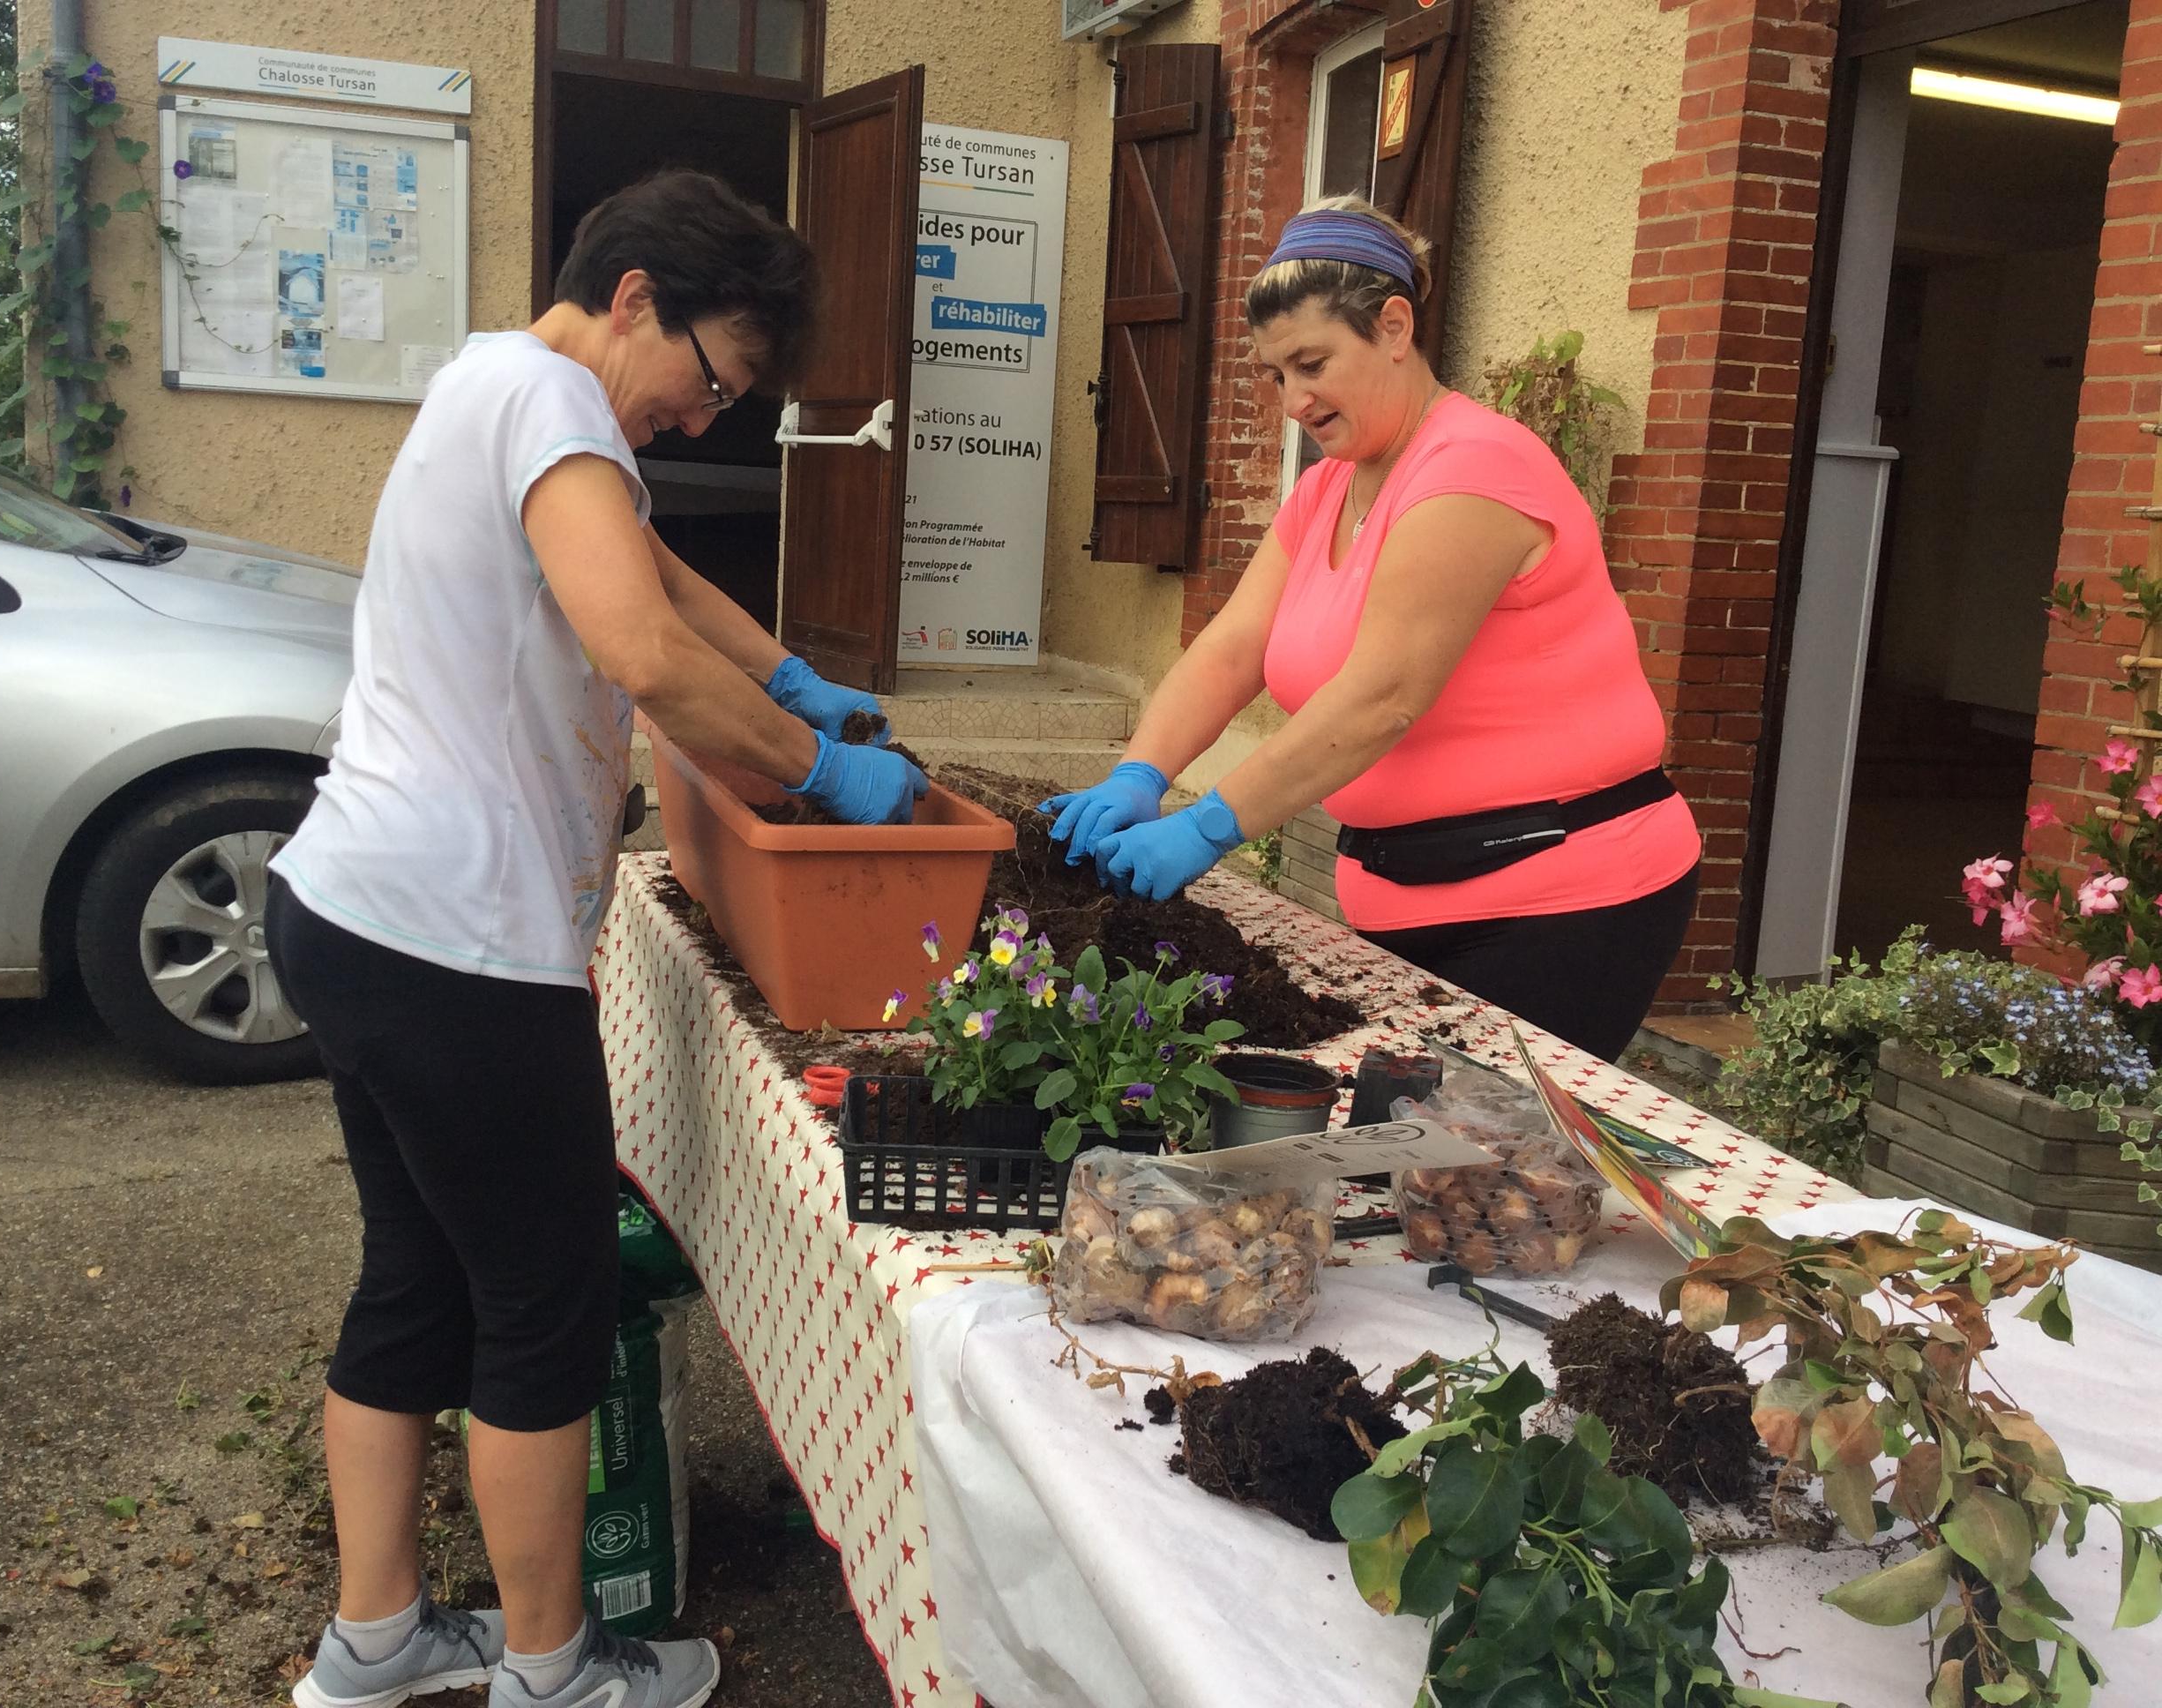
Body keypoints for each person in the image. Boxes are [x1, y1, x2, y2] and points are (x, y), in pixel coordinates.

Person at [266, 169, 924, 1708]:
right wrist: (814, 768)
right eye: (715, 381)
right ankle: (554, 1673)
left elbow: (665, 581)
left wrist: (799, 672)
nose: (704, 422)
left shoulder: (498, 389)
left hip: (352, 911)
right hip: (458, 950)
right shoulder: (556, 402)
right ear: (636, 297)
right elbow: (641, 650)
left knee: (414, 1284)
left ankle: (375, 1647)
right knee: (540, 1309)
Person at [1044, 196, 1700, 1062]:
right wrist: (1141, 770)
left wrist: (1208, 824)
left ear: (1395, 326)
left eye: (1312, 363)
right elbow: (1235, 645)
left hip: (1560, 901)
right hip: (1405, 899)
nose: (1293, 401)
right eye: (1276, 374)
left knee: (1467, 1181)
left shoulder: (1474, 470)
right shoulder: (1325, 491)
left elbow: (1382, 697)